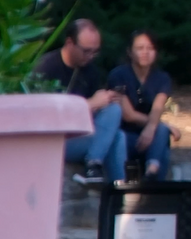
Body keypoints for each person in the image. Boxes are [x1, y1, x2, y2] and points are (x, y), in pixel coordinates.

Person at [35, 19, 125, 183]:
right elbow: (43, 117)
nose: (90, 56)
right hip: (54, 141)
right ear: (70, 43)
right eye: (86, 51)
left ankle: (118, 189)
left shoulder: (91, 71)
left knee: (116, 121)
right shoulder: (46, 67)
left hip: (80, 134)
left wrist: (104, 103)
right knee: (116, 138)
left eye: (95, 52)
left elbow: (92, 116)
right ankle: (94, 165)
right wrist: (89, 104)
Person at [107, 30, 173, 181]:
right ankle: (150, 177)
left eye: (150, 48)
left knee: (161, 136)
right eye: (140, 48)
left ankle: (151, 172)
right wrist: (156, 125)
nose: (145, 53)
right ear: (130, 52)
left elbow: (158, 107)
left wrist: (152, 127)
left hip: (151, 137)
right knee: (162, 130)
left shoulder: (162, 78)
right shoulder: (118, 75)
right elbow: (128, 114)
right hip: (126, 135)